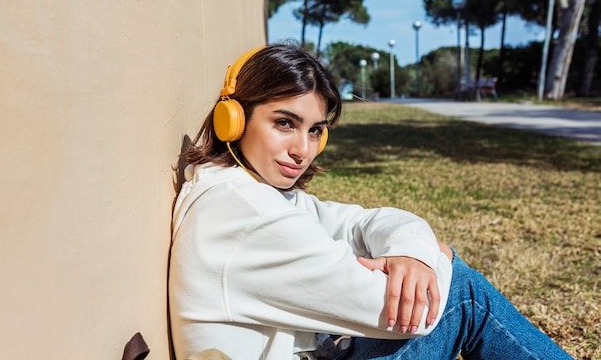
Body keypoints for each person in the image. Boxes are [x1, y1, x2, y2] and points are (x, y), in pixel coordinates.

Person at [169, 43, 573, 360]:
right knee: (460, 294)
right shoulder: (243, 213)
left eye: (315, 131)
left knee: (445, 279)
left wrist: (415, 253)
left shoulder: (252, 192)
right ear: (233, 119)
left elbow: (362, 222)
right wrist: (438, 257)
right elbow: (403, 314)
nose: (301, 149)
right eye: (284, 123)